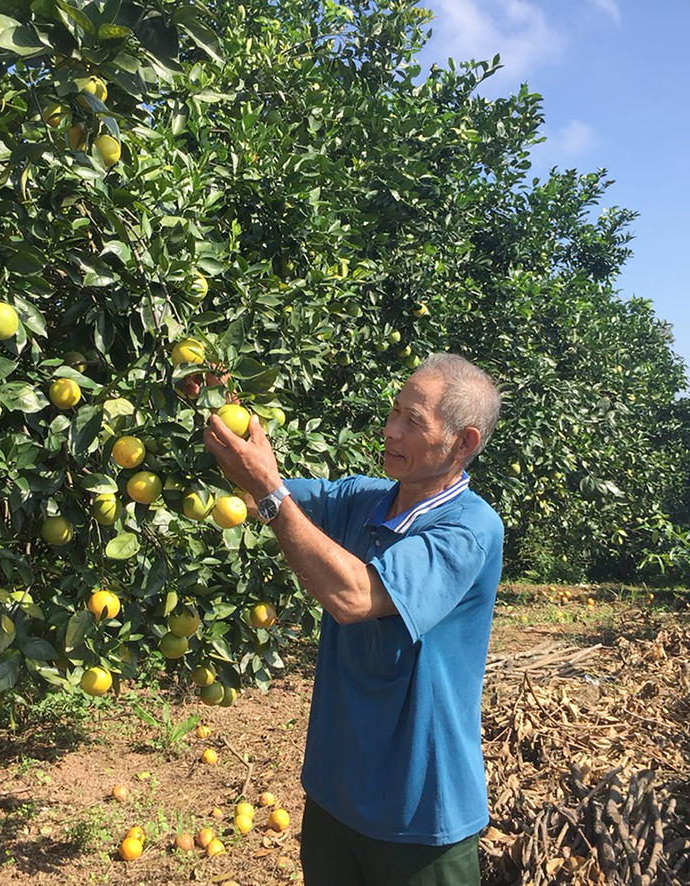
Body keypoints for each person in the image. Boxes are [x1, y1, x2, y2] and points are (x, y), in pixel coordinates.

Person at [203, 352, 503, 886]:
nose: (391, 431)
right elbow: (257, 491)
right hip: (334, 794)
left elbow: (354, 596)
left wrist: (270, 494)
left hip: (418, 814)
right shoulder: (363, 499)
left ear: (465, 443)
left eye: (413, 422)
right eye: (393, 413)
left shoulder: (469, 528)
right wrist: (223, 405)